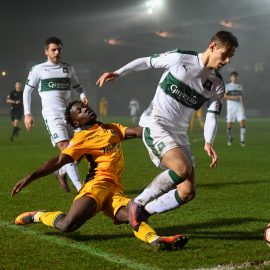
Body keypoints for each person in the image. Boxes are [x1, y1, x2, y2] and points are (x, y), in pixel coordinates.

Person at [96, 30, 238, 230]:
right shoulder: (181, 58)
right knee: (182, 169)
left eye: (231, 57)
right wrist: (119, 72)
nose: (228, 60)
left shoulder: (217, 84)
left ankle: (141, 213)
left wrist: (208, 142)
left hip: (180, 134)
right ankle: (137, 203)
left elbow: (212, 115)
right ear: (213, 47)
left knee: (187, 192)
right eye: (226, 54)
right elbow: (146, 61)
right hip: (155, 124)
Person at [11, 101, 188, 251]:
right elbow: (58, 161)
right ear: (77, 123)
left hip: (115, 190)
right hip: (96, 186)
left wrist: (157, 119)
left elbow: (138, 131)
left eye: (83, 107)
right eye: (79, 111)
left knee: (134, 214)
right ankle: (38, 215)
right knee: (67, 225)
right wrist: (30, 177)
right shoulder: (81, 138)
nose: (85, 109)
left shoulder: (111, 128)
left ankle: (157, 241)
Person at [23, 36, 88, 192]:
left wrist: (82, 95)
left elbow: (78, 86)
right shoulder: (38, 69)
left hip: (71, 114)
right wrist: (27, 114)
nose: (57, 52)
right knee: (66, 149)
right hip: (52, 115)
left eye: (59, 49)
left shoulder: (68, 68)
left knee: (82, 149)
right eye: (53, 49)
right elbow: (27, 91)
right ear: (46, 51)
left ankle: (60, 171)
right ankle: (82, 189)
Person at [223, 71, 246, 146]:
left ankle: (242, 141)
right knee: (229, 125)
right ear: (230, 77)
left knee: (242, 123)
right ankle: (230, 139)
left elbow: (242, 97)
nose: (234, 78)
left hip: (239, 107)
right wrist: (233, 97)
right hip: (231, 107)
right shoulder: (227, 86)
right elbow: (224, 96)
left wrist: (242, 99)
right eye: (233, 76)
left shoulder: (240, 86)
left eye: (235, 76)